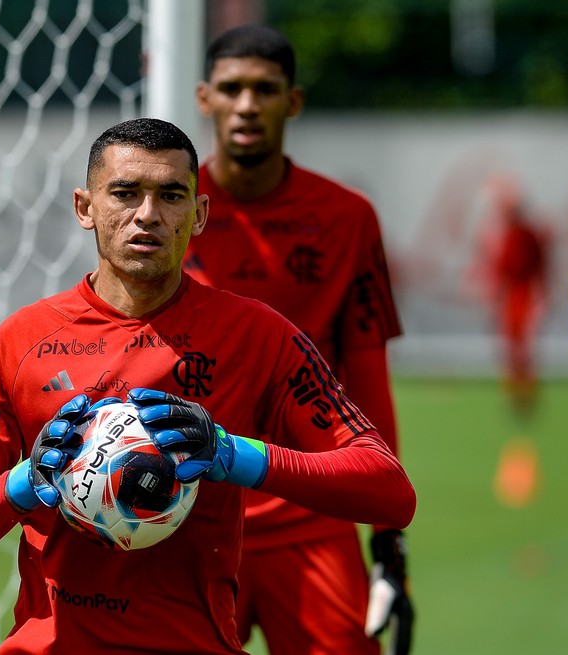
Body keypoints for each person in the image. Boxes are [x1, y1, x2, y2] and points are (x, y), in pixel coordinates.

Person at [0, 117, 416, 655]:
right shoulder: (22, 341)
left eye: (171, 195)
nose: (147, 215)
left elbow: (389, 489)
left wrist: (232, 455)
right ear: (85, 208)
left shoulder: (255, 334)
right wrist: (23, 482)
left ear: (198, 215)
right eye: (125, 193)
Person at [184, 24, 415, 655]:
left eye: (265, 89)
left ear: (294, 101)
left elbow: (368, 373)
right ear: (205, 99)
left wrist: (387, 539)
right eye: (232, 89)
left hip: (311, 515)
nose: (247, 105)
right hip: (189, 518)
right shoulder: (168, 214)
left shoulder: (347, 218)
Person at [469, 174, 550, 411]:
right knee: (510, 343)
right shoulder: (505, 234)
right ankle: (514, 390)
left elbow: (536, 266)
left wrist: (540, 293)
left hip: (522, 291)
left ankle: (525, 391)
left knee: (523, 342)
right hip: (511, 293)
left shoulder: (525, 234)